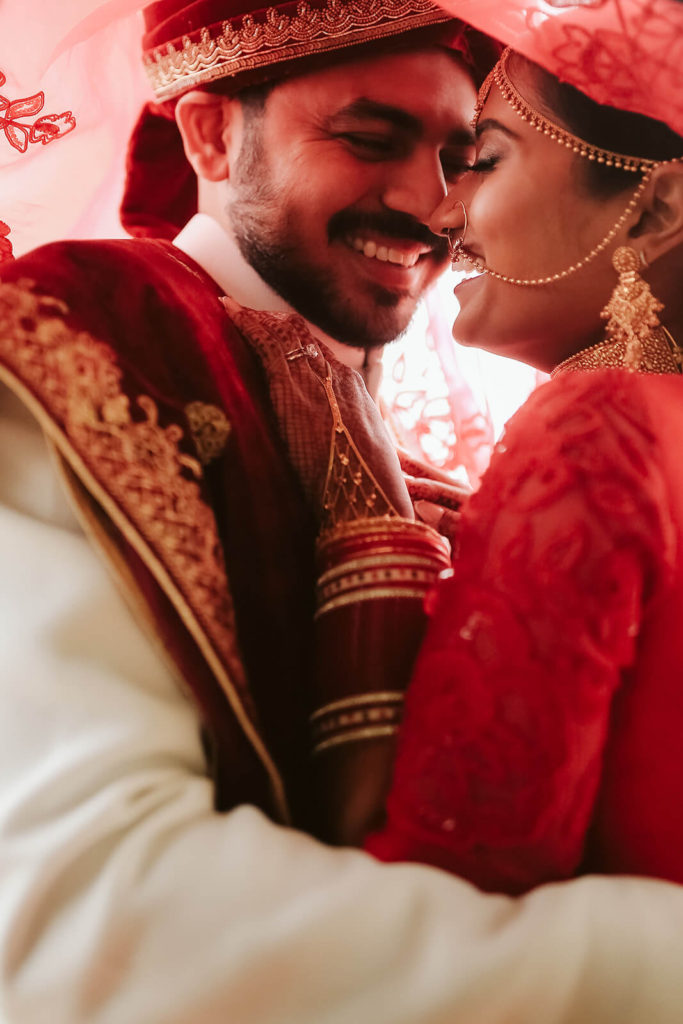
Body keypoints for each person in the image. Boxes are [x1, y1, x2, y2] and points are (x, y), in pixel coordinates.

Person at [0, 0, 682, 1021]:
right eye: (368, 140)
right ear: (207, 133)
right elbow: (87, 924)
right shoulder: (87, 344)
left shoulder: (425, 476)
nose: (431, 202)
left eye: (465, 157)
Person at [367, 3, 683, 898]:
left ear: (655, 206)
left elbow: (462, 869)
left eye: (484, 161)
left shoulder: (596, 421)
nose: (439, 211)